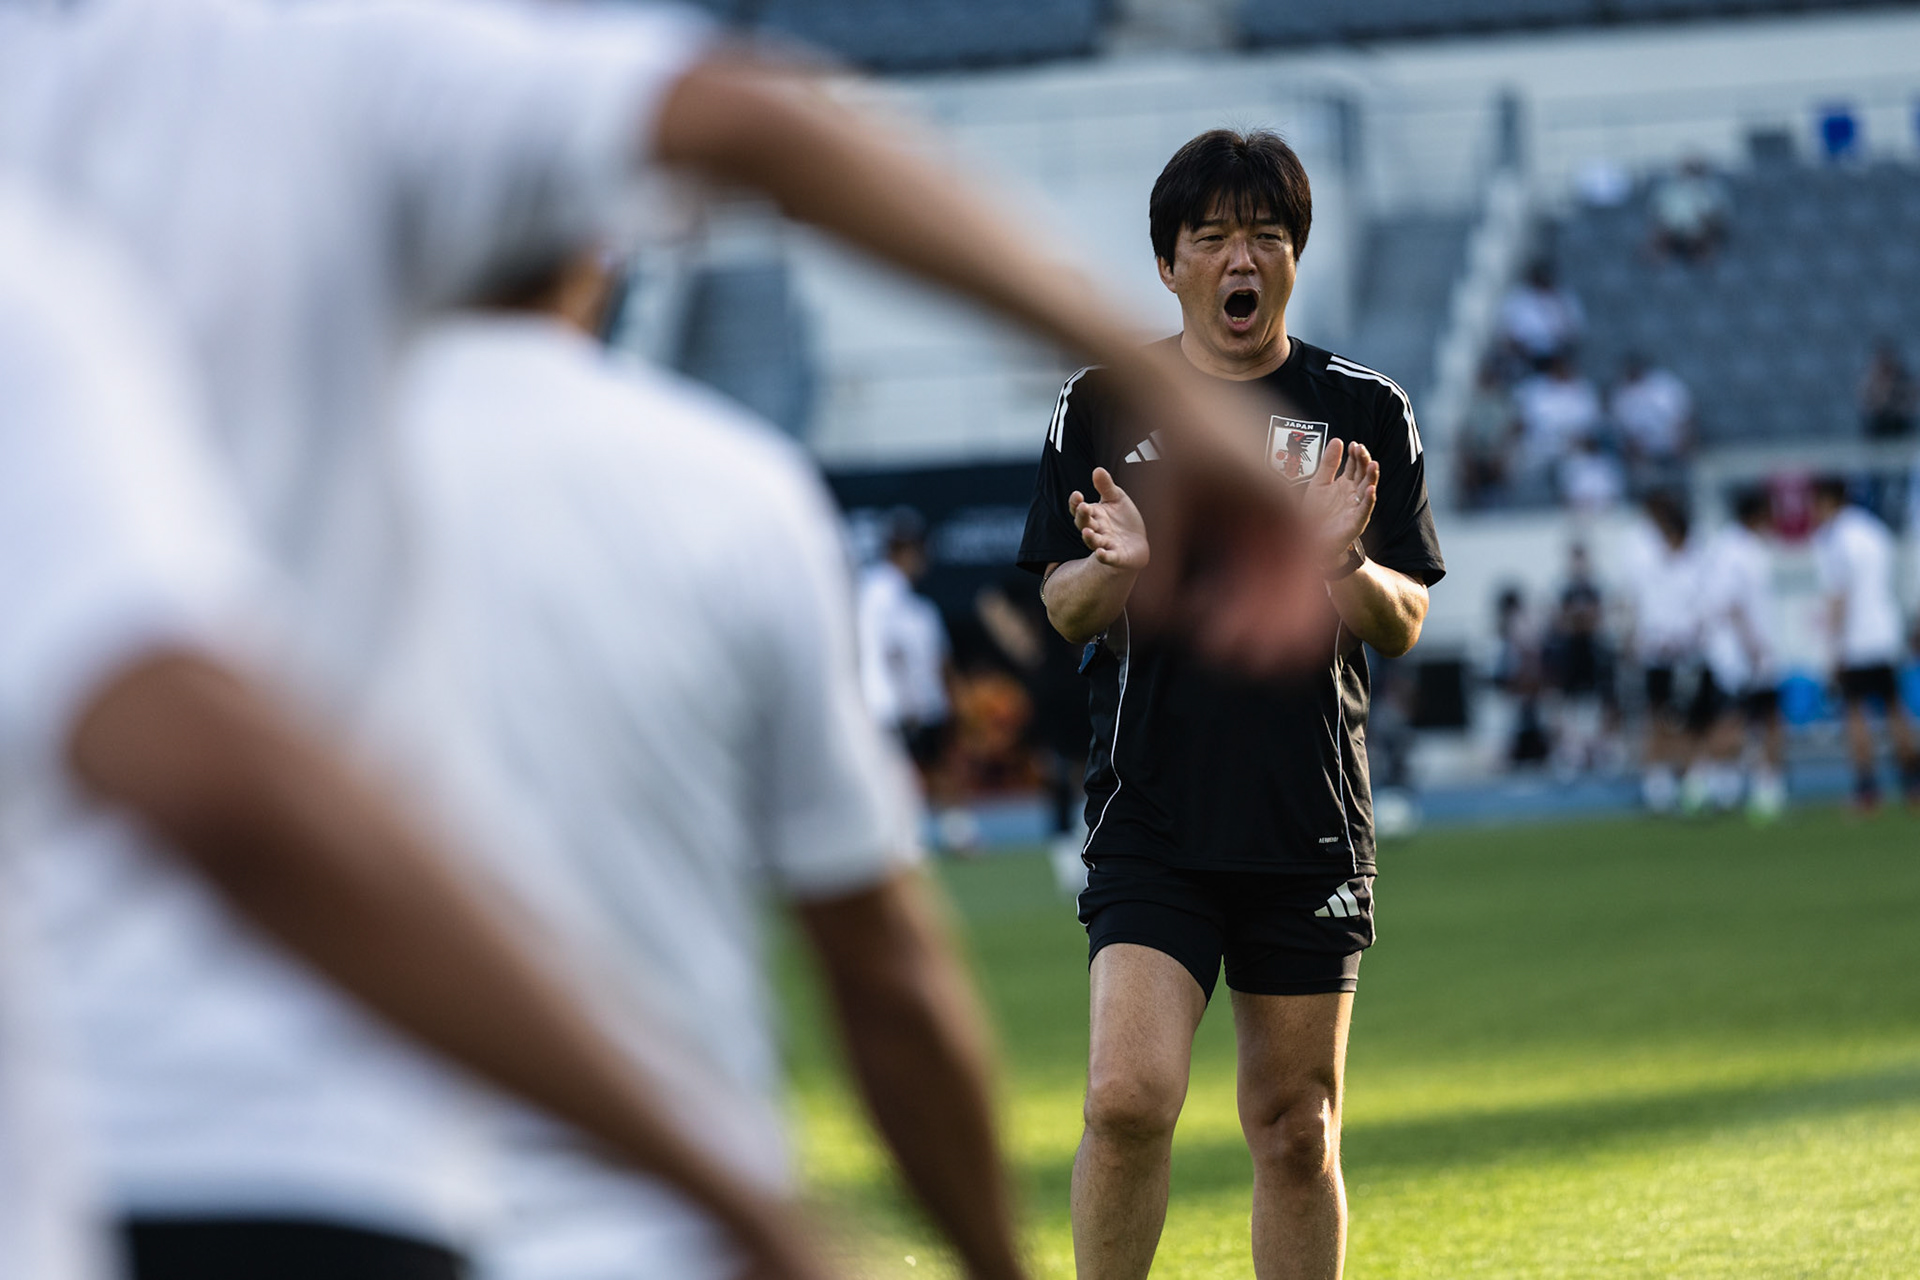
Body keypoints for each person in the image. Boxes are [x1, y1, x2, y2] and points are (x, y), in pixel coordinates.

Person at [2, 0, 1334, 1271]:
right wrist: (735, 1198)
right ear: (593, 240)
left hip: (89, 1153)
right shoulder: (712, 485)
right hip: (350, 1167)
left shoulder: (79, 292)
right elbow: (754, 120)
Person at [0, 183, 813, 1280]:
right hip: (403, 1175)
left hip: (199, 1142)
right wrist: (719, 1178)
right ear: (595, 255)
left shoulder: (226, 441)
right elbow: (217, 784)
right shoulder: (722, 481)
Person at [385, 252, 1026, 1280]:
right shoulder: (730, 484)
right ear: (605, 243)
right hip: (661, 1234)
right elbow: (880, 965)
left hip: (352, 1212)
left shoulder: (239, 469)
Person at [1016, 129, 1445, 1280]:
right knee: (1125, 1099)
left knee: (1296, 1128)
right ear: (1171, 264)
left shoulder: (1366, 411)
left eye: (1263, 233)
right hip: (1152, 804)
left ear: (1294, 255)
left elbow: (1403, 620)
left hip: (1305, 815)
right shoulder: (1104, 402)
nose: (1238, 256)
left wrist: (1342, 564)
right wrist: (1118, 567)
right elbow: (1063, 609)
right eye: (1211, 237)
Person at [1810, 478, 1919, 809]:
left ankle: (1866, 788)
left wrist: (1833, 646)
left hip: (1857, 638)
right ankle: (1914, 782)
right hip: (1884, 632)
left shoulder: (1836, 539)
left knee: (1855, 713)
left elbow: (1839, 596)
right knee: (1894, 708)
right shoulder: (1875, 531)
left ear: (1828, 501)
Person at [1697, 488, 1786, 821]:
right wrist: (1752, 644)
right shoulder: (1735, 550)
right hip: (1742, 654)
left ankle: (1754, 787)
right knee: (1742, 722)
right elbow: (1730, 603)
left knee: (1759, 721)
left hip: (1747, 650)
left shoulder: (1742, 547)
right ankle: (1706, 783)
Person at [858, 508, 954, 781]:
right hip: (893, 708)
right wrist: (911, 702)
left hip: (889, 705)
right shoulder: (884, 592)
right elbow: (892, 652)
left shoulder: (880, 589)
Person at [1624, 493, 1706, 815]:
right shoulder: (1652, 565)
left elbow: (1699, 611)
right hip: (1657, 653)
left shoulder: (1692, 567)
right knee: (1658, 717)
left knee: (1687, 721)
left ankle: (1688, 779)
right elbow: (1642, 607)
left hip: (1685, 654)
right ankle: (1658, 782)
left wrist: (1684, 639)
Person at [1516, 352, 1602, 493]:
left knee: (1581, 470)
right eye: (1558, 367)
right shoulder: (1536, 389)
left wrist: (1574, 440)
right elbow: (1525, 421)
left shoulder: (1583, 389)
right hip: (1539, 445)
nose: (1562, 370)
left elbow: (1590, 424)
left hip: (1573, 447)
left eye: (1565, 367)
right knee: (1523, 464)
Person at [1610, 353, 1693, 491]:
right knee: (1647, 481)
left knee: (1682, 482)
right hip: (1643, 454)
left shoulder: (1664, 384)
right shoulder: (1620, 394)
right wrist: (1634, 451)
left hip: (1673, 446)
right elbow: (1621, 431)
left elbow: (1685, 415)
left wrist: (1683, 441)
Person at [1499, 260, 1584, 371]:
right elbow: (1505, 332)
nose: (1544, 280)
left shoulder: (1563, 298)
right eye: (1541, 276)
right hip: (1525, 355)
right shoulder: (1519, 298)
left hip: (1557, 356)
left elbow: (1575, 331)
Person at [1647, 156, 1730, 263]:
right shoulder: (1667, 191)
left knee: (1709, 244)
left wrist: (1704, 222)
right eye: (1688, 168)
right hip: (1673, 232)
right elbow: (1658, 213)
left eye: (1694, 168)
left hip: (1702, 233)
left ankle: (1707, 269)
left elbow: (1720, 215)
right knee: (1655, 242)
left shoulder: (1713, 190)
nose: (1690, 173)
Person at [1858, 341, 1916, 440]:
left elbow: (1910, 403)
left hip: (1899, 424)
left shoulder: (1903, 379)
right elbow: (1868, 404)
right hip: (1879, 425)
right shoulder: (1871, 380)